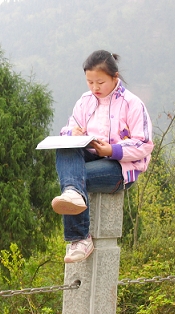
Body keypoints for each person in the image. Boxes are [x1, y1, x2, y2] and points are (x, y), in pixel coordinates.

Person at [51, 50, 154, 263]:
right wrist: (73, 133)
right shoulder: (85, 101)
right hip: (90, 156)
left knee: (73, 179)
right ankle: (72, 195)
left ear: (114, 77)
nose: (95, 88)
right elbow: (68, 128)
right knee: (65, 148)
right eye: (90, 82)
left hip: (120, 167)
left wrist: (111, 150)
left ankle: (79, 238)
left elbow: (144, 144)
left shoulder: (132, 104)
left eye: (100, 82)